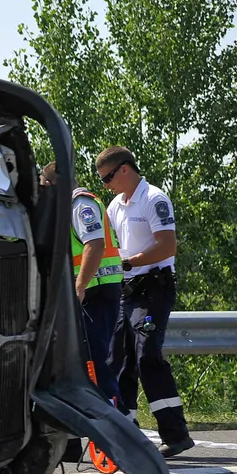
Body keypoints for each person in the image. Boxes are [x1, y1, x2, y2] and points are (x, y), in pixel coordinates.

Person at [96, 146, 193, 457]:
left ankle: (176, 434)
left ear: (125, 169)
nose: (106, 184)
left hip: (154, 287)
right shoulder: (115, 206)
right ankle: (127, 432)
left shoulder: (154, 198)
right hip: (127, 289)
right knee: (116, 360)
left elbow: (167, 246)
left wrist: (132, 261)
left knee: (146, 355)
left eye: (108, 177)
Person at [40, 162, 123, 405]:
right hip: (94, 288)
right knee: (89, 362)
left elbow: (94, 245)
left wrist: (79, 287)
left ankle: (117, 424)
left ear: (54, 184)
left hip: (94, 290)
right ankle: (115, 420)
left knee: (96, 364)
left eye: (45, 186)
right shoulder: (72, 205)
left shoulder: (80, 204)